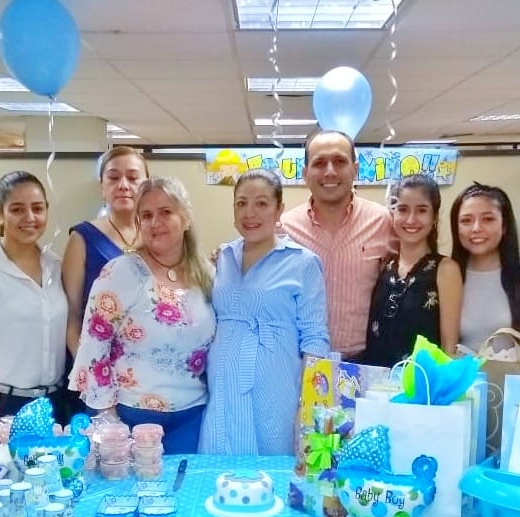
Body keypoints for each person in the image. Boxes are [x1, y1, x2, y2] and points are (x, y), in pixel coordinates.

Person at [69, 176, 215, 453]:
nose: (155, 222)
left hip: (194, 415)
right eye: (146, 215)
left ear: (186, 219)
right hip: (132, 417)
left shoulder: (207, 273)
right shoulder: (121, 272)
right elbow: (93, 348)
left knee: (185, 494)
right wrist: (106, 422)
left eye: (166, 212)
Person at [198, 170, 329, 455]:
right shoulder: (223, 258)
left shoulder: (303, 263)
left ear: (279, 209)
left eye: (261, 203)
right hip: (223, 387)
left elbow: (315, 339)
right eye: (241, 203)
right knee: (219, 471)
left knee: (274, 471)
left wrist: (307, 406)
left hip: (275, 388)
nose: (250, 213)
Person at [0, 170, 69, 424]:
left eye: (37, 208)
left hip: (55, 402)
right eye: (17, 209)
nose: (30, 218)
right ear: (0, 215)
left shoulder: (56, 265)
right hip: (5, 404)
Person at [280, 129, 396, 362]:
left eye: (339, 161)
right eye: (319, 163)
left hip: (365, 361)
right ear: (305, 173)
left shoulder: (383, 221)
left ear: (355, 169)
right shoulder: (284, 229)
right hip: (298, 361)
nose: (330, 171)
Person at [363, 174, 463, 366]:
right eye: (402, 209)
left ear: (434, 217)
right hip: (375, 384)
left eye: (421, 210)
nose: (411, 219)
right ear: (393, 214)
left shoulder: (446, 270)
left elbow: (448, 349)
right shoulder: (386, 265)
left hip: (420, 387)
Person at [62, 145, 149, 357]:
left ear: (146, 185)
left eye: (132, 177)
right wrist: (86, 370)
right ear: (102, 187)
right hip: (97, 361)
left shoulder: (158, 235)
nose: (123, 185)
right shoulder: (82, 238)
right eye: (113, 178)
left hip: (149, 362)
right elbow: (71, 316)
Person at [450, 182, 520, 350]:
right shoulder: (448, 273)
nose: (476, 228)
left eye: (488, 219)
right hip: (463, 374)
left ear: (505, 225)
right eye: (466, 221)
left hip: (513, 375)